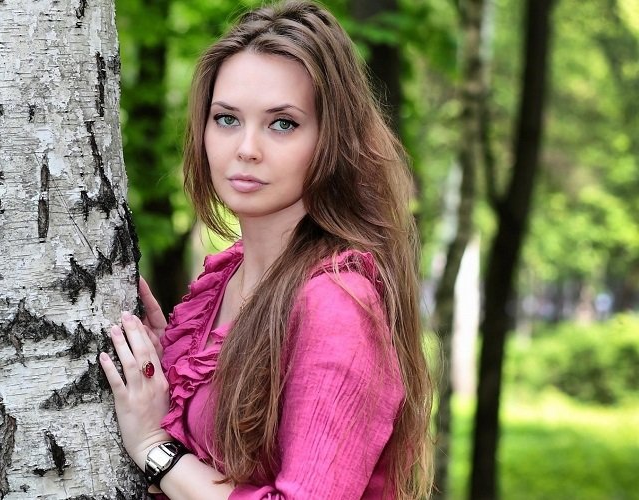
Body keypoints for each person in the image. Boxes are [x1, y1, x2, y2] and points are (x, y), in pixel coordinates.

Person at [98, 1, 433, 498]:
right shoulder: (227, 279)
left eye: (282, 124)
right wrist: (169, 374)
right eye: (226, 119)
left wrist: (154, 446)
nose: (247, 148)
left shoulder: (337, 302)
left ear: (332, 139)